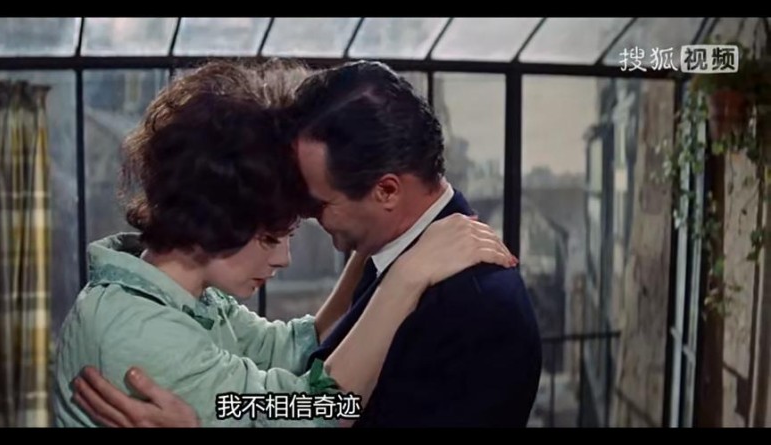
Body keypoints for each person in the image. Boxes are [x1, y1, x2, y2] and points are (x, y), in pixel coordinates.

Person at [71, 60, 543, 428]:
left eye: (316, 207)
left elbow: (280, 358)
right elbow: (312, 411)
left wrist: (384, 257)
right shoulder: (142, 334)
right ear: (214, 219)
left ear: (386, 191)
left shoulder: (480, 311)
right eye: (271, 236)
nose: (286, 256)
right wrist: (402, 279)